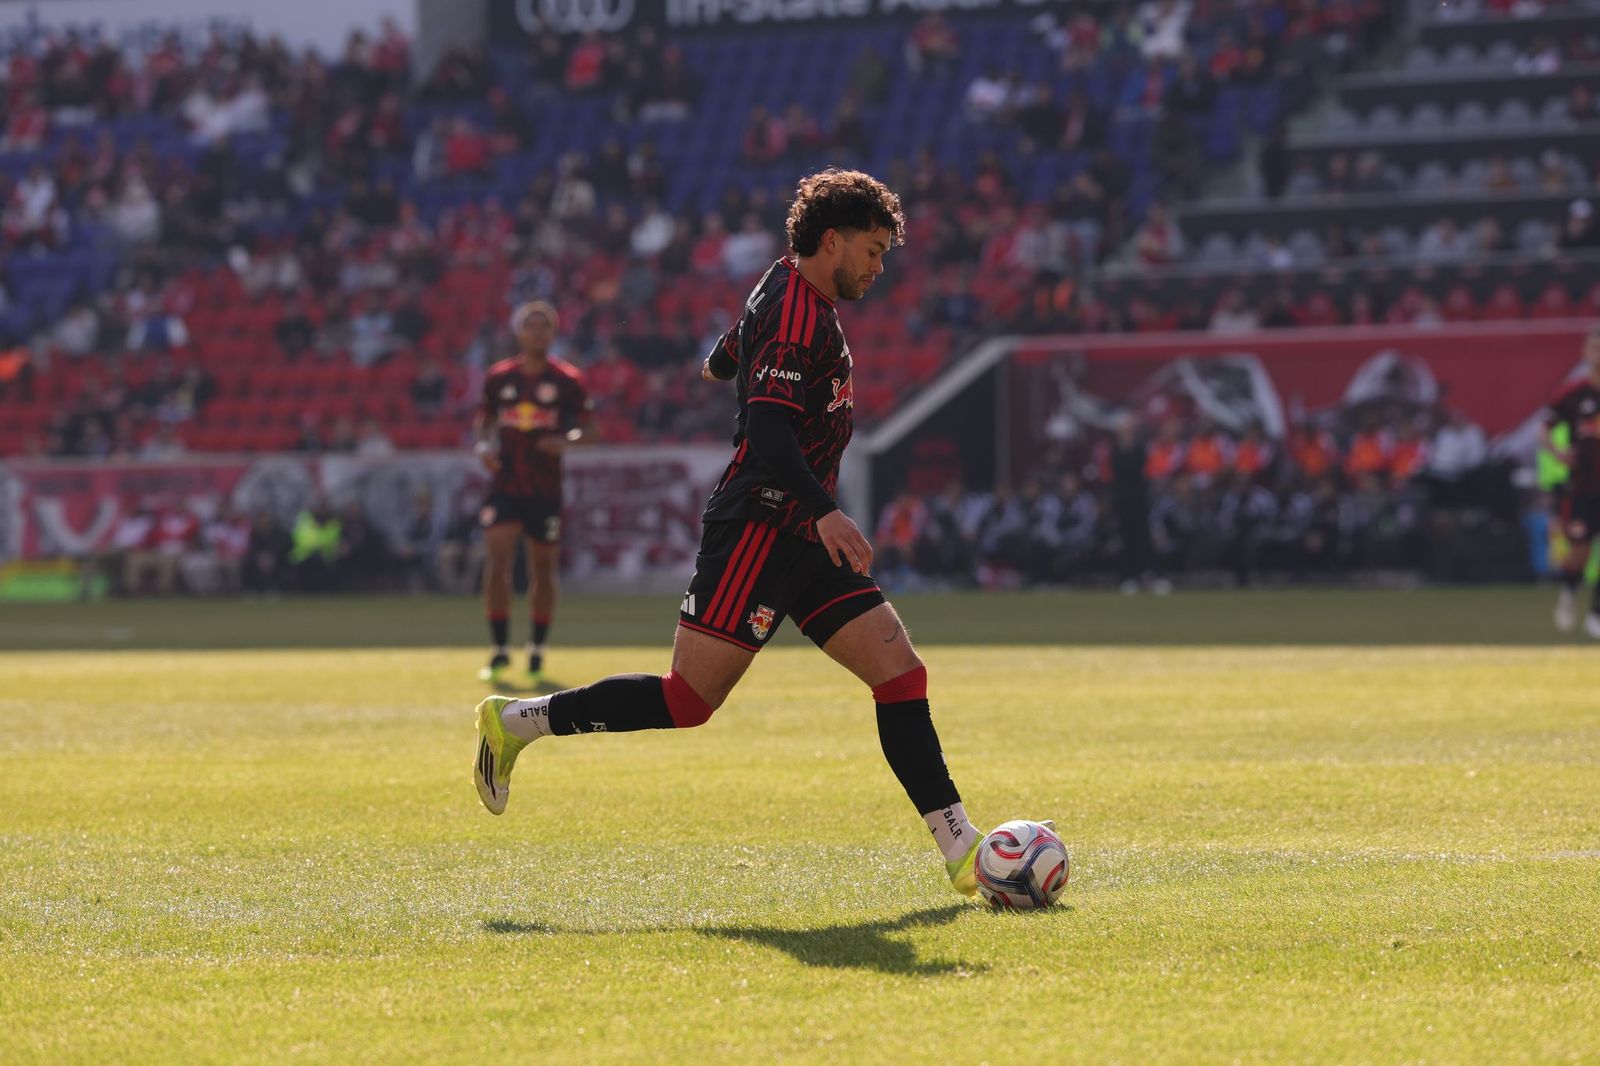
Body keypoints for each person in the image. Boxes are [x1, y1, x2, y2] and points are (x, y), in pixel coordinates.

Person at [471, 169, 1001, 897]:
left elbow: (726, 355)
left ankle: (962, 849)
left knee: (900, 674)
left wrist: (729, 360)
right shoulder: (796, 310)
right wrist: (823, 508)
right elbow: (768, 426)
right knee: (688, 701)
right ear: (832, 241)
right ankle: (516, 722)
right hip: (761, 524)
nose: (880, 268)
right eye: (874, 251)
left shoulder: (783, 283)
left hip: (803, 530)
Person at [473, 301, 593, 683]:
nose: (537, 333)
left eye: (544, 326)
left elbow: (588, 428)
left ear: (553, 333)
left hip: (544, 488)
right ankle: (499, 649)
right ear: (519, 332)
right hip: (505, 484)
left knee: (542, 568)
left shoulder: (567, 380)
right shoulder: (499, 378)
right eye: (531, 326)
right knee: (497, 561)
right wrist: (484, 447)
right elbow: (485, 422)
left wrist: (565, 441)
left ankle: (537, 649)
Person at [1544, 326, 1600, 637]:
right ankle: (1569, 592)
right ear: (1585, 353)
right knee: (1580, 551)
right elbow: (1545, 428)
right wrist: (1559, 452)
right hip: (1583, 487)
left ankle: (1596, 614)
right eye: (1594, 347)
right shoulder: (1573, 393)